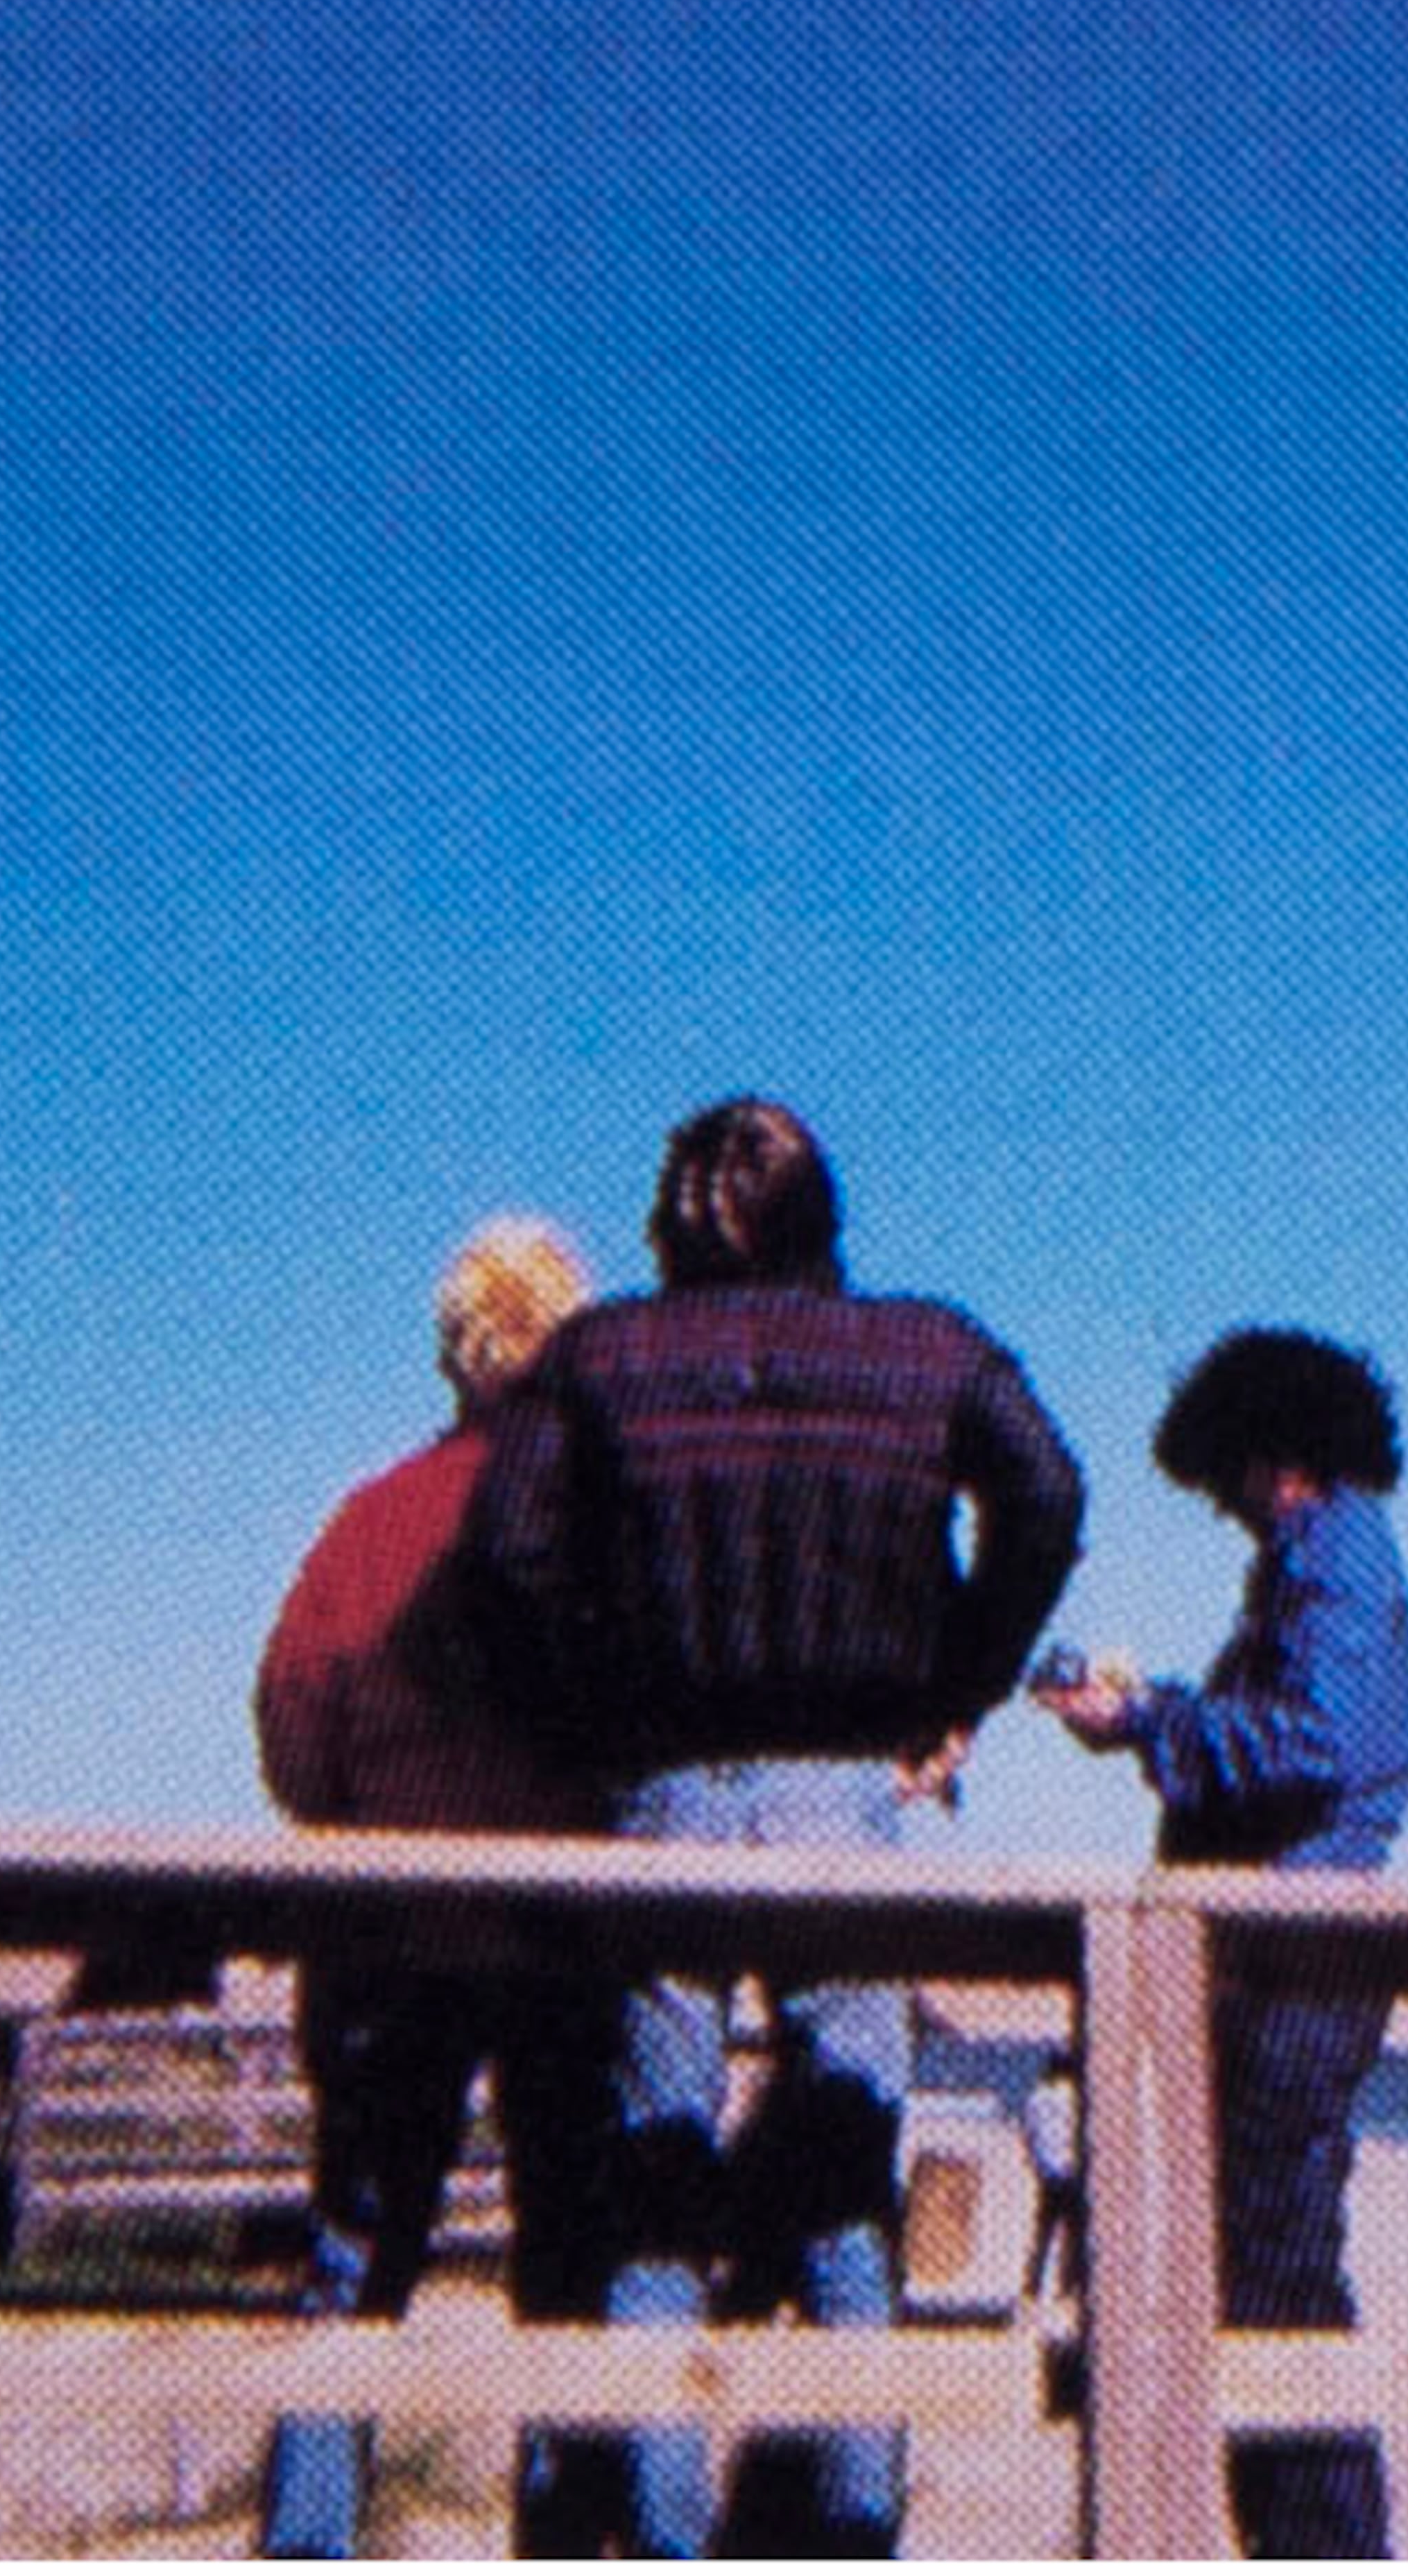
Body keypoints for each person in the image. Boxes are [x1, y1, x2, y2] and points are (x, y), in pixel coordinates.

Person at [466, 1097, 1084, 2561]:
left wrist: (593, 1704)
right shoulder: (929, 1349)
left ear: (670, 1224)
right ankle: (854, 2532)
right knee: (843, 2180)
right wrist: (957, 1683)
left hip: (664, 1796)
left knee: (658, 2186)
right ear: (826, 1214)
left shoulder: (602, 1355)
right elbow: (1047, 1489)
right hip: (845, 1801)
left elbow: (508, 1549)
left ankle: (675, 2544)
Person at [1035, 1325, 1408, 2564]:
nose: (1225, 1509)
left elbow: (1316, 1744)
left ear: (1268, 1454)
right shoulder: (1316, 1560)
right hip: (1284, 1959)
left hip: (1300, 1960)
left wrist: (1151, 1719)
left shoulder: (1339, 1553)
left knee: (1280, 2288)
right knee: (1266, 2280)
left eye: (1226, 1480)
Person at [255, 1212, 608, 2425]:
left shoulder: (374, 1522)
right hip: (562, 1928)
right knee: (568, 2253)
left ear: (455, 1351)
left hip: (392, 1923)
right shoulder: (598, 1529)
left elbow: (295, 1720)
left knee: (358, 2250)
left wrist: (361, 1814)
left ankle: (314, 2542)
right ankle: (563, 2538)